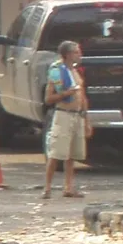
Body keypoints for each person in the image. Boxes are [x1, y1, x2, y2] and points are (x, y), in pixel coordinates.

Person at [42, 40, 91, 200]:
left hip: (77, 115)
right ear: (68, 54)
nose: (79, 54)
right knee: (56, 153)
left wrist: (86, 119)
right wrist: (65, 94)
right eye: (76, 52)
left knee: (72, 154)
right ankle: (47, 188)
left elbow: (82, 96)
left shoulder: (75, 72)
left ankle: (68, 187)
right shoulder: (57, 73)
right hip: (63, 115)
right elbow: (48, 99)